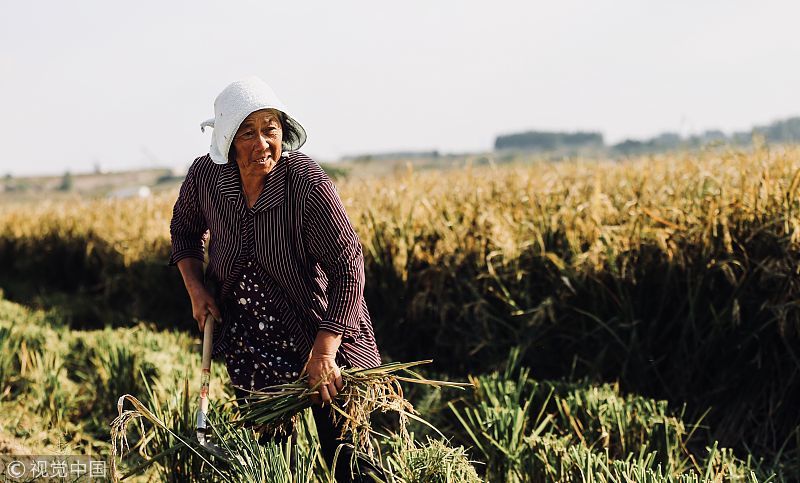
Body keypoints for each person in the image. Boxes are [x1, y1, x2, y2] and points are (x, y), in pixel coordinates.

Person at [169, 77, 382, 480]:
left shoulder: (305, 183)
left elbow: (349, 268)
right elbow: (183, 231)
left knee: (351, 461)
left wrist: (324, 352)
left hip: (323, 337)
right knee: (268, 467)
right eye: (247, 132)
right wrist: (196, 289)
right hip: (254, 348)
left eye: (271, 129)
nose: (262, 143)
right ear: (228, 141)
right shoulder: (206, 179)